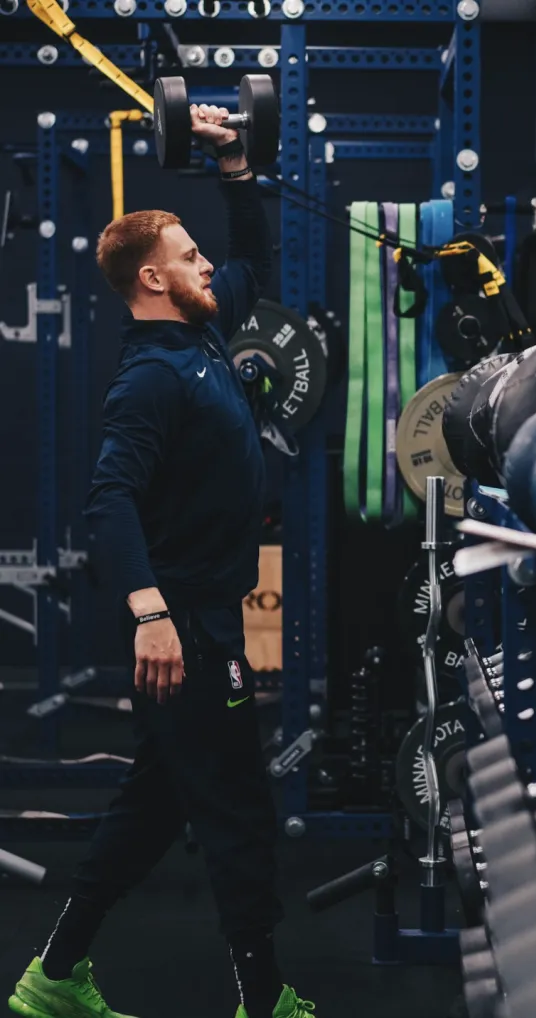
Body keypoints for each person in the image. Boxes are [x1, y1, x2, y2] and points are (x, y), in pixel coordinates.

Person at [8, 105, 317, 1018]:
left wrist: (233, 161)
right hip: (183, 624)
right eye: (189, 257)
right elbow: (109, 499)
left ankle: (55, 978)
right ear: (152, 278)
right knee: (238, 814)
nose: (207, 264)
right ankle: (265, 1001)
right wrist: (152, 614)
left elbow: (251, 251)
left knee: (155, 807)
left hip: (203, 614)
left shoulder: (206, 340)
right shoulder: (149, 377)